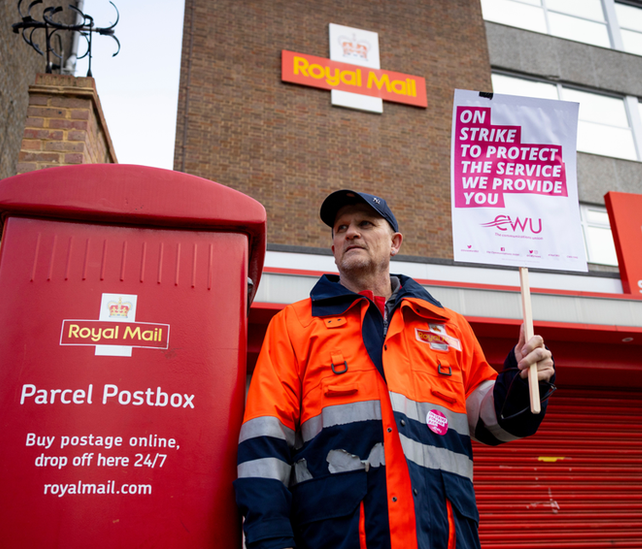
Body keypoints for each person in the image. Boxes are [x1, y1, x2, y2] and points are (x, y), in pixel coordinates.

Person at [235, 190, 556, 549]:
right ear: (334, 250)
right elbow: (263, 444)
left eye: (365, 224)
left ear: (395, 243)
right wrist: (270, 539)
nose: (350, 233)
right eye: (341, 228)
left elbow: (492, 423)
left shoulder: (449, 327)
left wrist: (524, 379)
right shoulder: (293, 325)